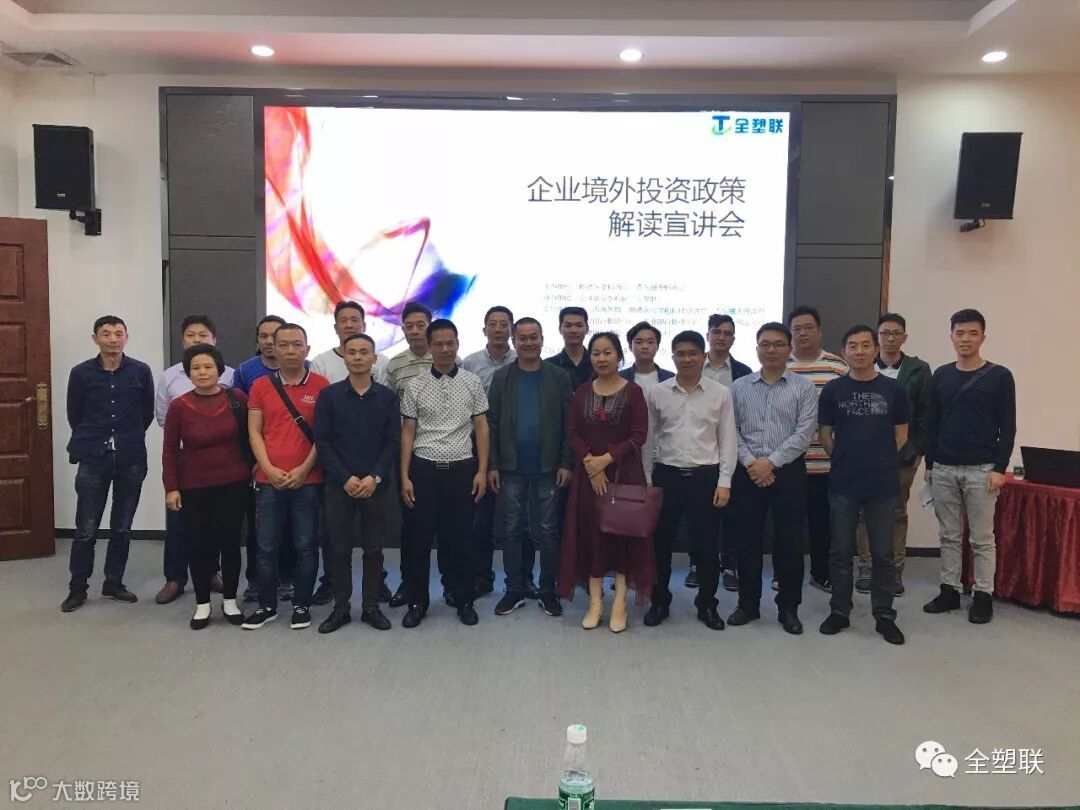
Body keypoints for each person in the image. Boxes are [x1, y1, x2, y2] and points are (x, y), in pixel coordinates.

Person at [817, 325, 909, 645]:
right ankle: (839, 611)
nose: (859, 351)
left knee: (882, 553)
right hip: (843, 482)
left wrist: (879, 459)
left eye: (865, 345)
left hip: (882, 483)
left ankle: (884, 615)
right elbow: (825, 434)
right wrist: (845, 459)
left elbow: (901, 434)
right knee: (840, 551)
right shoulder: (833, 390)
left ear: (876, 349)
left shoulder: (894, 389)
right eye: (852, 346)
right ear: (844, 352)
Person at [557, 332, 654, 633]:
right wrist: (591, 463)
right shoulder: (582, 391)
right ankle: (595, 603)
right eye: (596, 353)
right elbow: (572, 432)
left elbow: (639, 435)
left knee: (621, 537)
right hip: (588, 477)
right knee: (592, 536)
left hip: (624, 476)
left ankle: (620, 603)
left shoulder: (633, 392)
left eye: (608, 352)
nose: (601, 358)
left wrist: (606, 460)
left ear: (619, 356)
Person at [923, 309, 1016, 625]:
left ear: (983, 338)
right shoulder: (941, 375)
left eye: (972, 333)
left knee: (981, 538)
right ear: (951, 337)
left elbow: (1008, 426)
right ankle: (949, 590)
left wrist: (999, 467)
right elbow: (932, 424)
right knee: (949, 534)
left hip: (982, 469)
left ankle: (983, 595)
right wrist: (930, 463)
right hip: (944, 467)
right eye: (960, 333)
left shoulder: (1000, 376)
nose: (965, 339)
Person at [642, 330, 737, 631]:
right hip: (665, 476)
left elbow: (728, 439)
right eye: (680, 354)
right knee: (660, 544)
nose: (686, 359)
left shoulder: (720, 394)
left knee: (706, 546)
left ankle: (707, 604)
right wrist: (647, 480)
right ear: (672, 357)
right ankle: (659, 601)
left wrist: (725, 481)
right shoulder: (657, 392)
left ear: (703, 356)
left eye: (692, 353)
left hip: (704, 477)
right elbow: (648, 441)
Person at [728, 322, 817, 635]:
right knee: (747, 540)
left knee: (790, 542)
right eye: (765, 344)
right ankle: (748, 604)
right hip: (747, 472)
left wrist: (771, 463)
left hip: (788, 472)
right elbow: (731, 430)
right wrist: (752, 463)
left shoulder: (804, 388)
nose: (771, 350)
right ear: (756, 349)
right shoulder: (739, 387)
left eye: (778, 344)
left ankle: (788, 608)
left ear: (789, 349)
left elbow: (804, 434)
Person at [400, 319, 490, 628]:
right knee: (419, 540)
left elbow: (481, 427)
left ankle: (463, 598)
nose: (445, 349)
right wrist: (404, 475)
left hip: (462, 469)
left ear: (457, 344)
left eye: (450, 343)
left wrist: (482, 470)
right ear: (429, 346)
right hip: (424, 469)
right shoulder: (416, 385)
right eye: (438, 344)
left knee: (461, 538)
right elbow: (408, 432)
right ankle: (417, 602)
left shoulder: (472, 382)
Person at [61, 316, 155, 613]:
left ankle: (113, 582)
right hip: (93, 457)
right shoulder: (81, 373)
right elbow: (75, 415)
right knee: (86, 528)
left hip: (130, 457)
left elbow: (146, 414)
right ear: (95, 338)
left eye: (118, 333)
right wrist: (96, 439)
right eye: (106, 334)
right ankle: (78, 587)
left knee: (122, 526)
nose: (113, 339)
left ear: (126, 337)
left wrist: (125, 437)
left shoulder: (141, 371)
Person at [242, 324, 330, 630]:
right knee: (266, 547)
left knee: (306, 546)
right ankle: (267, 606)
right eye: (284, 345)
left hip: (309, 480)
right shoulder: (260, 386)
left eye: (297, 344)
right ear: (272, 349)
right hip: (269, 481)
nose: (290, 351)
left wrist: (304, 469)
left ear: (307, 349)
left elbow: (323, 435)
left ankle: (301, 604)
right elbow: (254, 431)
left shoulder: (321, 385)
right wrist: (267, 468)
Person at [487, 317, 574, 618]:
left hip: (549, 467)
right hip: (510, 468)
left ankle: (547, 590)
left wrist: (566, 462)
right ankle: (514, 589)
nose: (528, 342)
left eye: (533, 337)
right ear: (514, 341)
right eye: (522, 338)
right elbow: (492, 424)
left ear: (542, 339)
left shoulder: (558, 377)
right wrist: (492, 465)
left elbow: (569, 425)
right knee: (511, 529)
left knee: (548, 531)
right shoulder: (502, 377)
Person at [314, 334, 399, 634]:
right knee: (339, 549)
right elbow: (323, 441)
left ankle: (371, 607)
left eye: (365, 352)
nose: (359, 357)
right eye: (352, 352)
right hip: (340, 485)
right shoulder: (329, 396)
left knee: (374, 549)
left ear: (374, 358)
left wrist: (375, 477)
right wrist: (345, 478)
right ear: (345, 358)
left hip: (376, 485)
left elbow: (392, 442)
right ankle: (341, 608)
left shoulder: (387, 397)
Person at [162, 344, 251, 630]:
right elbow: (169, 450)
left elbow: (252, 437)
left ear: (219, 370)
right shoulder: (179, 406)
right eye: (196, 368)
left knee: (231, 543)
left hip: (234, 483)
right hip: (194, 486)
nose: (202, 372)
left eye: (208, 367)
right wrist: (171, 487)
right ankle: (202, 603)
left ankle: (230, 600)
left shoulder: (237, 399)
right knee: (198, 544)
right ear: (188, 373)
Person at [153, 315, 235, 605]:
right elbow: (163, 418)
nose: (197, 339)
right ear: (182, 340)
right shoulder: (169, 376)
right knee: (178, 523)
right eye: (191, 335)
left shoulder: (230, 376)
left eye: (203, 335)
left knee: (213, 524)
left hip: (221, 464)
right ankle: (174, 578)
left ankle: (211, 572)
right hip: (185, 459)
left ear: (214, 341)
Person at [854, 313, 932, 596]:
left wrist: (918, 451)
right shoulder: (862, 365)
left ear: (904, 337)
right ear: (877, 337)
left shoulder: (918, 369)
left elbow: (925, 414)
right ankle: (866, 566)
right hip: (864, 456)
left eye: (896, 333)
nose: (890, 338)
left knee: (897, 512)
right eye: (885, 332)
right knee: (864, 512)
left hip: (903, 456)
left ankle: (894, 569)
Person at [233, 314, 301, 604]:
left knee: (292, 527)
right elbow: (241, 418)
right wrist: (254, 461)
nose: (270, 342)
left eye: (276, 336)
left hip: (297, 461)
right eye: (264, 336)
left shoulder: (305, 369)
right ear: (258, 340)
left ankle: (288, 578)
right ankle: (256, 581)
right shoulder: (245, 371)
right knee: (258, 528)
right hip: (258, 460)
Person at [786, 305, 848, 593]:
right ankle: (785, 574)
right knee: (789, 525)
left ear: (820, 331)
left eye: (808, 327)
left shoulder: (838, 367)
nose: (802, 333)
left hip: (826, 463)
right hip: (789, 463)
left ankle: (821, 573)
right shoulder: (781, 365)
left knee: (824, 524)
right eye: (796, 329)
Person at [463, 305, 518, 597]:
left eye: (504, 324)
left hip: (514, 445)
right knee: (480, 519)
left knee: (516, 517)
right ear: (484, 329)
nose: (498, 329)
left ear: (511, 329)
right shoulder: (470, 363)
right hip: (476, 445)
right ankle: (481, 576)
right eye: (492, 324)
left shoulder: (522, 360)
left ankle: (519, 580)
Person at [698, 313, 753, 592]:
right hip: (699, 449)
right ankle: (697, 564)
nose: (722, 337)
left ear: (733, 339)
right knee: (699, 512)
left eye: (728, 333)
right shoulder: (692, 365)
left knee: (732, 512)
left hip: (734, 448)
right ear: (707, 335)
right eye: (717, 332)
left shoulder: (744, 371)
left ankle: (730, 564)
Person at [310, 300, 389, 385]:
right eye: (343, 321)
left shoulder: (382, 362)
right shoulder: (320, 362)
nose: (349, 325)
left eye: (354, 320)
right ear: (336, 328)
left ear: (364, 326)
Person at [547, 306, 593, 390]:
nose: (573, 330)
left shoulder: (596, 363)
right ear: (560, 329)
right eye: (568, 326)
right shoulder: (549, 365)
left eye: (579, 325)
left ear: (587, 328)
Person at [620, 321, 674, 392]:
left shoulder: (670, 377)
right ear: (630, 347)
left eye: (650, 342)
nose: (645, 346)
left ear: (657, 346)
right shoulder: (620, 377)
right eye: (639, 342)